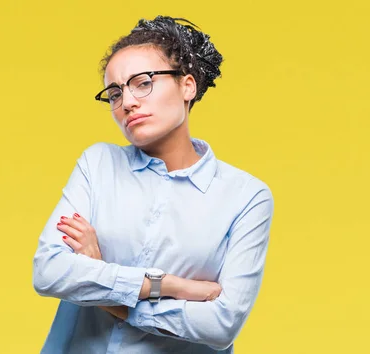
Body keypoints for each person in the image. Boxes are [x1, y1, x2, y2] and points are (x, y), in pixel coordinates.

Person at [32, 15, 274, 354]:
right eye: (115, 93)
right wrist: (171, 286)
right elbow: (48, 271)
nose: (127, 102)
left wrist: (105, 284)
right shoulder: (98, 164)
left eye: (143, 82)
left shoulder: (247, 197)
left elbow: (222, 326)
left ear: (187, 86)